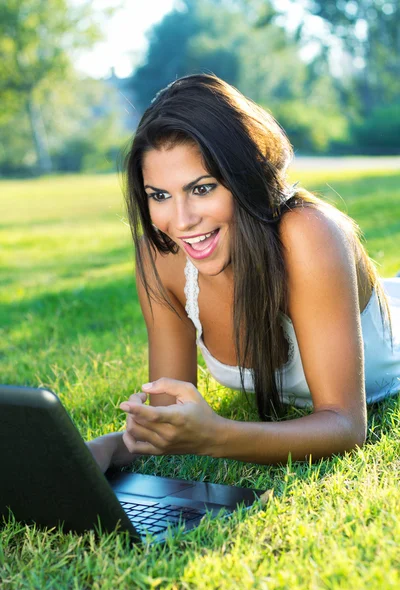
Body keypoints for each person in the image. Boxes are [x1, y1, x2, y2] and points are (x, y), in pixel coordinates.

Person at [87, 74, 400, 473]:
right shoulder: (160, 255)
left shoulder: (308, 234)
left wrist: (217, 435)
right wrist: (103, 449)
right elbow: (168, 421)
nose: (181, 221)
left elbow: (345, 426)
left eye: (202, 188)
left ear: (243, 178)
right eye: (160, 196)